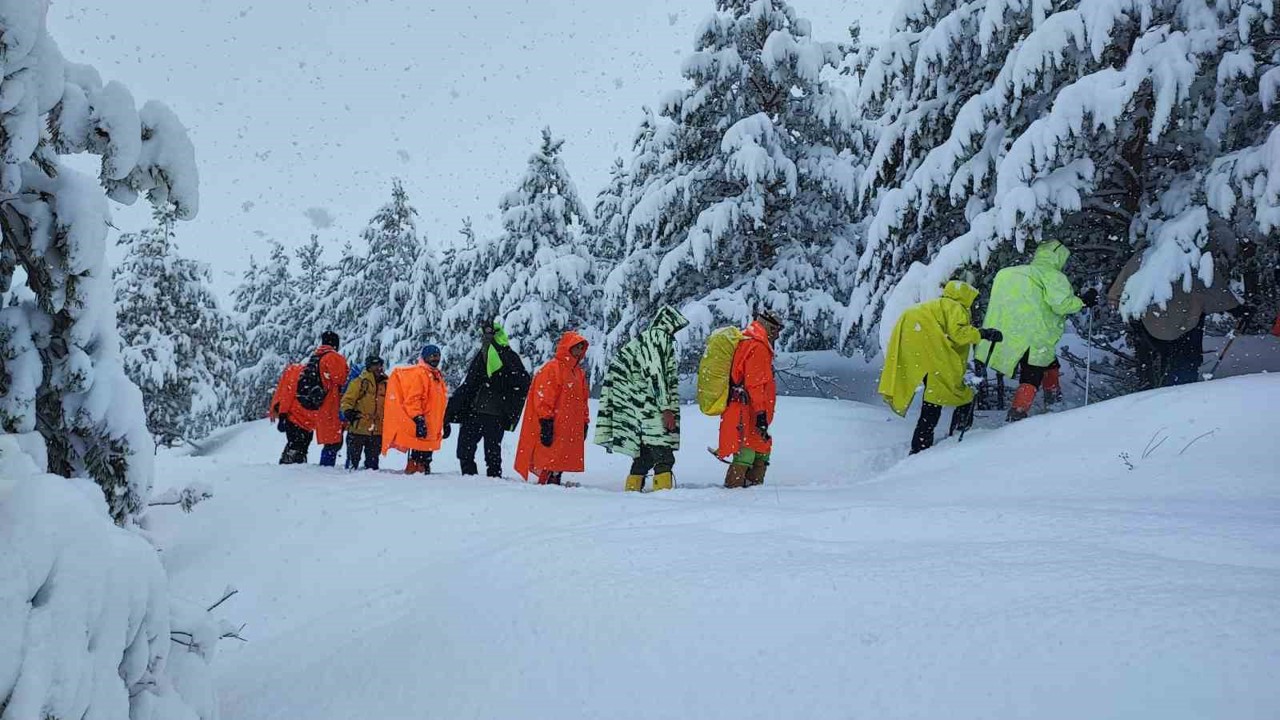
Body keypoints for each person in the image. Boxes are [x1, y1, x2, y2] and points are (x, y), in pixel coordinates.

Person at [975, 241, 1097, 422]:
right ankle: (1018, 413)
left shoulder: (1009, 273)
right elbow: (1062, 304)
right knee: (1032, 372)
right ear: (1059, 256)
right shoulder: (1051, 275)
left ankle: (1054, 401)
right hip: (1036, 335)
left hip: (1007, 333)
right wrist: (1084, 301)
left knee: (1050, 363)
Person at [879, 281, 1002, 454]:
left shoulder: (934, 305)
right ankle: (955, 433)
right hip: (934, 353)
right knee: (951, 396)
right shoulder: (955, 307)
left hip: (916, 348)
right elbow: (959, 335)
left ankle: (921, 443)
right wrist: (983, 333)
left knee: (934, 393)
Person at [1108, 246, 1245, 388]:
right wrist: (1237, 310)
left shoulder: (1143, 258)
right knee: (1184, 369)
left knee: (1153, 371)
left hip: (1152, 326)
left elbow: (1117, 294)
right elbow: (1216, 291)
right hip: (1187, 324)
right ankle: (1178, 397)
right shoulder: (1195, 257)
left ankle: (1155, 397)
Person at [595, 305, 688, 492]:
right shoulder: (657, 337)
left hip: (639, 405)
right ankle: (663, 495)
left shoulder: (646, 338)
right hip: (649, 407)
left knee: (644, 454)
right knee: (663, 453)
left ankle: (632, 490)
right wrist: (665, 408)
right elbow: (656, 374)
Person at [446, 322, 530, 477]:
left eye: (491, 334)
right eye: (485, 334)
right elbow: (470, 383)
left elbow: (521, 382)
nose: (488, 337)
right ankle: (470, 476)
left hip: (494, 412)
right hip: (475, 410)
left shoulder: (509, 356)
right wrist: (452, 409)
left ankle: (491, 478)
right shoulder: (483, 355)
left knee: (491, 453)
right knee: (467, 450)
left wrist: (500, 381)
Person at [717, 309, 783, 488]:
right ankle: (738, 491)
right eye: (777, 330)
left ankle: (749, 490)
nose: (777, 335)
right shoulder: (758, 346)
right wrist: (761, 413)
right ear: (769, 327)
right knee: (748, 450)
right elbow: (755, 384)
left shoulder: (749, 340)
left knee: (760, 448)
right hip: (748, 410)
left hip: (745, 407)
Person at [513, 331, 590, 485]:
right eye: (576, 346)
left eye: (582, 347)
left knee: (561, 456)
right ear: (567, 347)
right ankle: (547, 482)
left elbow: (583, 400)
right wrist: (545, 420)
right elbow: (544, 396)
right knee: (550, 455)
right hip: (555, 421)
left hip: (569, 424)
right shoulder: (552, 368)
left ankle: (554, 479)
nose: (579, 350)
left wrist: (585, 421)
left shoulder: (578, 373)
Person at [383, 345, 451, 474]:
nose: (435, 359)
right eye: (432, 356)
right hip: (424, 421)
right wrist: (418, 418)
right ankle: (415, 471)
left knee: (426, 451)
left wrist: (445, 420)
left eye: (437, 356)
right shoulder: (421, 374)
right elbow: (413, 400)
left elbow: (440, 402)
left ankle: (422, 469)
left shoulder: (436, 376)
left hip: (433, 423)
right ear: (425, 357)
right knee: (419, 451)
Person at [340, 355, 388, 471]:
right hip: (358, 428)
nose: (378, 368)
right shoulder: (359, 382)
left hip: (376, 431)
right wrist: (348, 412)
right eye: (374, 365)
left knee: (372, 466)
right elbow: (347, 399)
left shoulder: (387, 383)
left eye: (380, 365)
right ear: (369, 367)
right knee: (352, 464)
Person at [310, 331, 350, 466]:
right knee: (334, 442)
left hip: (322, 404)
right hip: (332, 403)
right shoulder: (332, 357)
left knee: (330, 440)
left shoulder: (317, 356)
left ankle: (326, 466)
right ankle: (326, 468)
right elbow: (341, 379)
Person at [269, 362, 312, 465]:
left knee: (294, 445)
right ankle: (299, 464)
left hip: (294, 416)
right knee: (302, 446)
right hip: (309, 419)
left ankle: (288, 465)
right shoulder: (312, 373)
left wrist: (282, 414)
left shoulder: (292, 372)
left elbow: (287, 396)